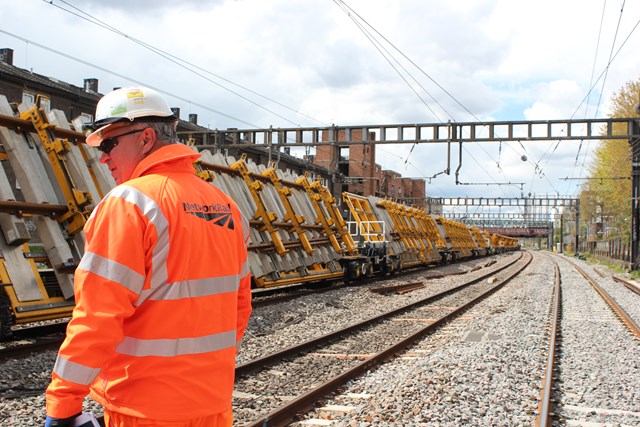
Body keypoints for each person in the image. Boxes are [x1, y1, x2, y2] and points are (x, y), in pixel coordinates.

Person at [44, 87, 252, 427]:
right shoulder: (226, 207)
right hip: (212, 406)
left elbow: (96, 317)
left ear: (146, 137)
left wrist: (63, 402)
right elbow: (239, 307)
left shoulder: (130, 204)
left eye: (109, 144)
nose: (103, 157)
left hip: (143, 408)